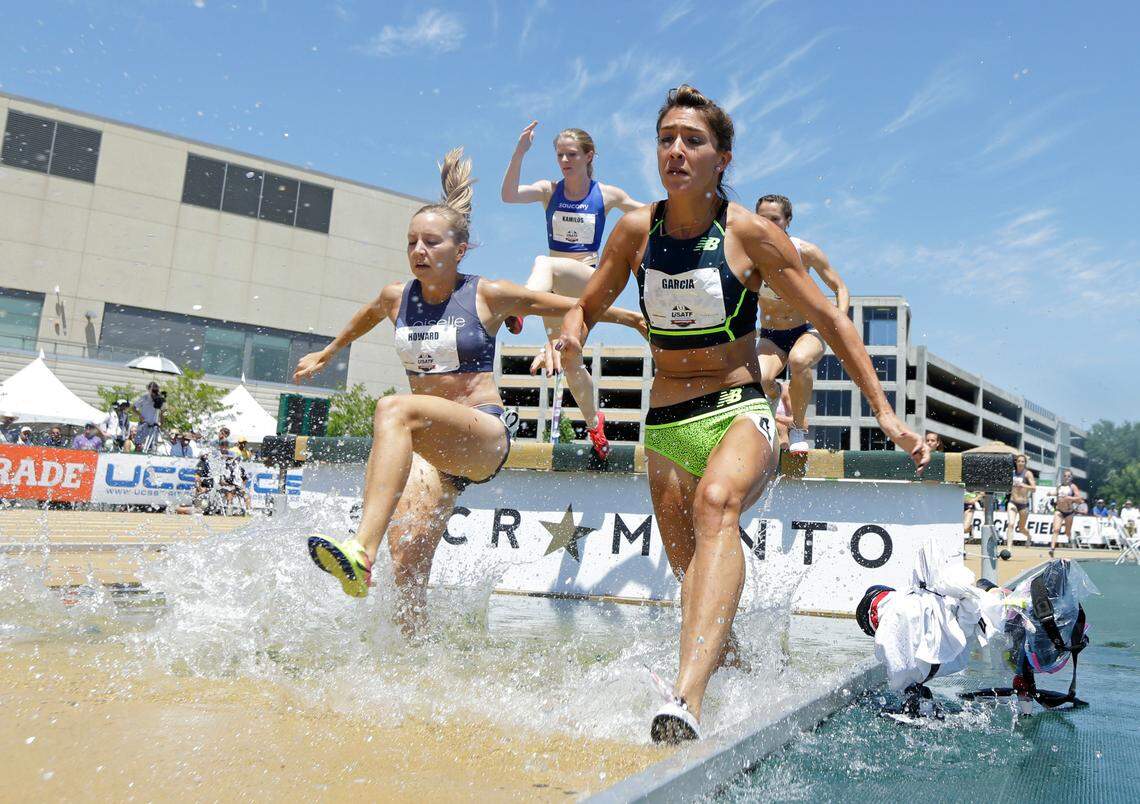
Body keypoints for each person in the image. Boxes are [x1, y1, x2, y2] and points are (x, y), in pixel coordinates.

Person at [545, 85, 928, 743]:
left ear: (721, 158)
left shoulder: (750, 231)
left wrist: (885, 413)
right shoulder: (637, 230)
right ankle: (728, 672)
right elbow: (589, 300)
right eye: (667, 137)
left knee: (718, 504)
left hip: (738, 408)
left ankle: (683, 700)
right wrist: (571, 337)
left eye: (692, 140)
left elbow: (830, 317)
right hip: (665, 423)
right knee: (690, 567)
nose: (676, 150)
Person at [295, 147, 644, 634]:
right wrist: (328, 353)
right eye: (412, 242)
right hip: (432, 448)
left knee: (393, 409)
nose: (419, 251)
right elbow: (367, 316)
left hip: (482, 434)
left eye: (431, 243)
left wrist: (628, 316)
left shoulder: (487, 293)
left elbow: (569, 301)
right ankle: (411, 654)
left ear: (458, 251)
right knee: (408, 555)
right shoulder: (397, 297)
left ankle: (359, 552)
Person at [500, 122, 645, 458]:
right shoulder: (549, 190)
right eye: (560, 155)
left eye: (572, 154)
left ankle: (519, 309)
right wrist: (520, 152)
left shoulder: (606, 194)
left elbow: (649, 213)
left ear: (588, 155)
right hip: (554, 293)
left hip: (589, 283)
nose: (564, 160)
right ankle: (596, 426)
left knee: (545, 262)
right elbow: (508, 195)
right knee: (570, 360)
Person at [754, 194, 849, 454]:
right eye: (762, 219)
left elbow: (839, 287)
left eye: (775, 219)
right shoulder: (749, 255)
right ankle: (775, 394)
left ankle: (797, 427)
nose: (769, 224)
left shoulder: (804, 252)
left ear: (787, 221)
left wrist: (838, 323)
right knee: (760, 379)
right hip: (771, 335)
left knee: (798, 361)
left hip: (806, 331)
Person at [1005, 454, 1036, 548]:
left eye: (1022, 461)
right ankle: (1009, 548)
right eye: (1019, 461)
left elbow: (1034, 488)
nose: (1020, 463)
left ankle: (1029, 536)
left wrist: (1024, 485)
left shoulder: (1027, 474)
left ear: (1025, 463)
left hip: (1024, 505)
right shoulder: (1012, 473)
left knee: (1021, 528)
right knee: (1011, 524)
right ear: (1016, 462)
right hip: (1012, 502)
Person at [1050, 469, 1081, 557]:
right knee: (1056, 529)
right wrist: (1051, 494)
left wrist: (1069, 498)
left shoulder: (1073, 487)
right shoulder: (1059, 486)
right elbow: (1057, 494)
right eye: (1065, 476)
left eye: (1069, 476)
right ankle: (1052, 549)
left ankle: (1070, 538)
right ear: (1063, 477)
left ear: (1071, 477)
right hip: (1059, 511)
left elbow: (1079, 498)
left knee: (1067, 531)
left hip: (1069, 512)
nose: (1067, 477)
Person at [132, 382, 166, 454]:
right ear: (149, 389)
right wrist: (140, 415)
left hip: (154, 426)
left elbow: (162, 413)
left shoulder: (159, 399)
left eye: (155, 390)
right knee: (139, 445)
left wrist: (162, 424)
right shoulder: (144, 398)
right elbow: (133, 408)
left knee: (152, 447)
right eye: (152, 390)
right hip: (144, 424)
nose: (154, 393)